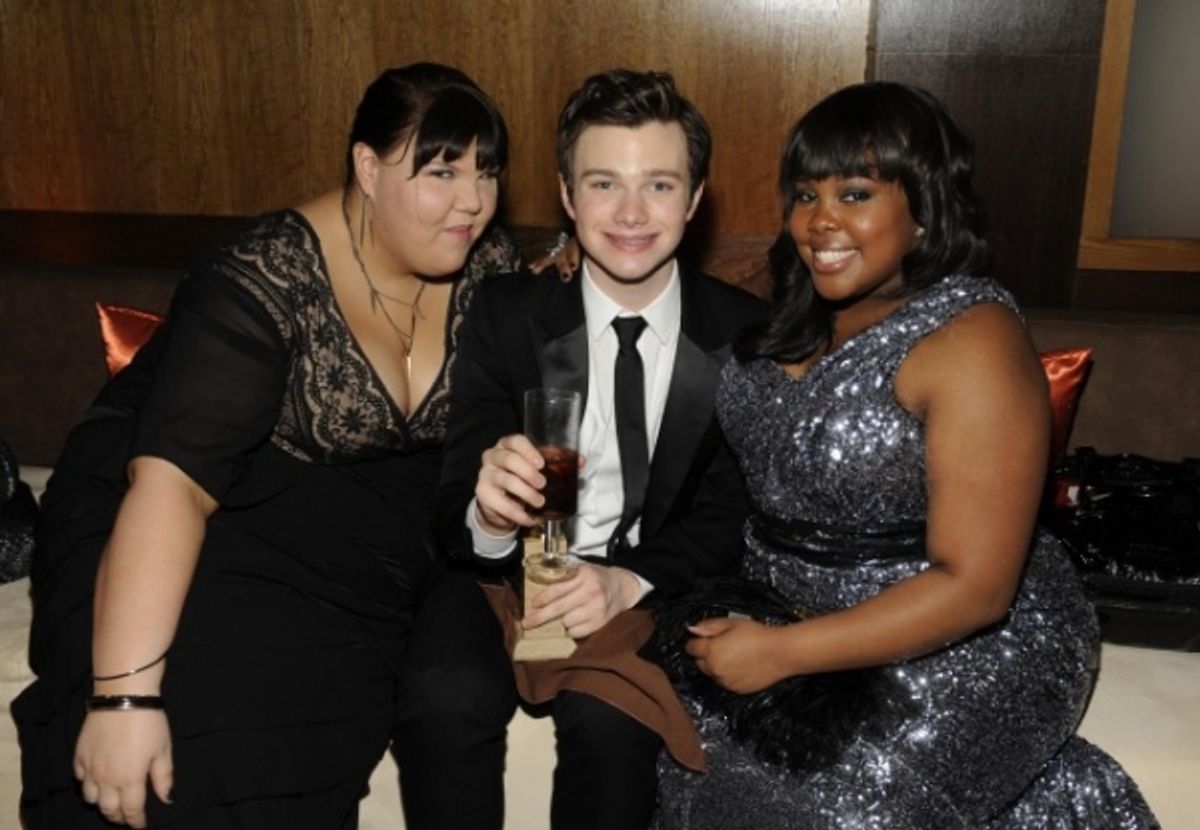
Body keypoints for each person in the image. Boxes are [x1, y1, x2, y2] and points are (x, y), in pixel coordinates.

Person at [14, 63, 524, 829]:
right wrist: (123, 697)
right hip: (179, 471)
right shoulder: (265, 276)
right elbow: (174, 484)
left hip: (347, 510)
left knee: (305, 684)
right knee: (204, 693)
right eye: (443, 171)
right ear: (367, 167)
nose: (473, 200)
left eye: (486, 172)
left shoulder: (488, 264)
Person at [653, 82, 1159, 828]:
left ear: (923, 209)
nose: (820, 219)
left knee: (816, 811)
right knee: (667, 764)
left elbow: (976, 588)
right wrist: (572, 268)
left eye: (855, 194)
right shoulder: (796, 304)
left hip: (962, 643)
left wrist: (784, 653)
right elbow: (680, 302)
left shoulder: (971, 339)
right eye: (805, 194)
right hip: (785, 609)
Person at [393, 69, 765, 830]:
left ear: (695, 199)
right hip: (499, 577)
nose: (630, 213)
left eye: (659, 185)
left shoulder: (744, 334)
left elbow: (733, 511)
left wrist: (628, 581)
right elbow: (454, 500)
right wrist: (490, 515)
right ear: (567, 195)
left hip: (647, 580)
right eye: (603, 184)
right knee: (443, 697)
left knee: (610, 722)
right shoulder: (506, 313)